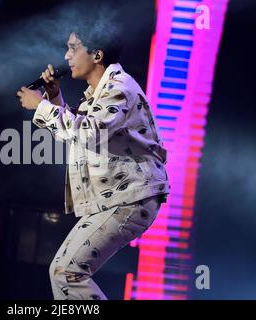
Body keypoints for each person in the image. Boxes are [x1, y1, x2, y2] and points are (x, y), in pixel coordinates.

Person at [16, 27, 169, 300]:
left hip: (131, 197)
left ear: (97, 55)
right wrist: (53, 98)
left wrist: (41, 107)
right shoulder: (99, 93)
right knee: (64, 272)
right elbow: (79, 131)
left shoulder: (119, 88)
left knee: (66, 273)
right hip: (118, 198)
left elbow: (87, 133)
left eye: (74, 47)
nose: (67, 55)